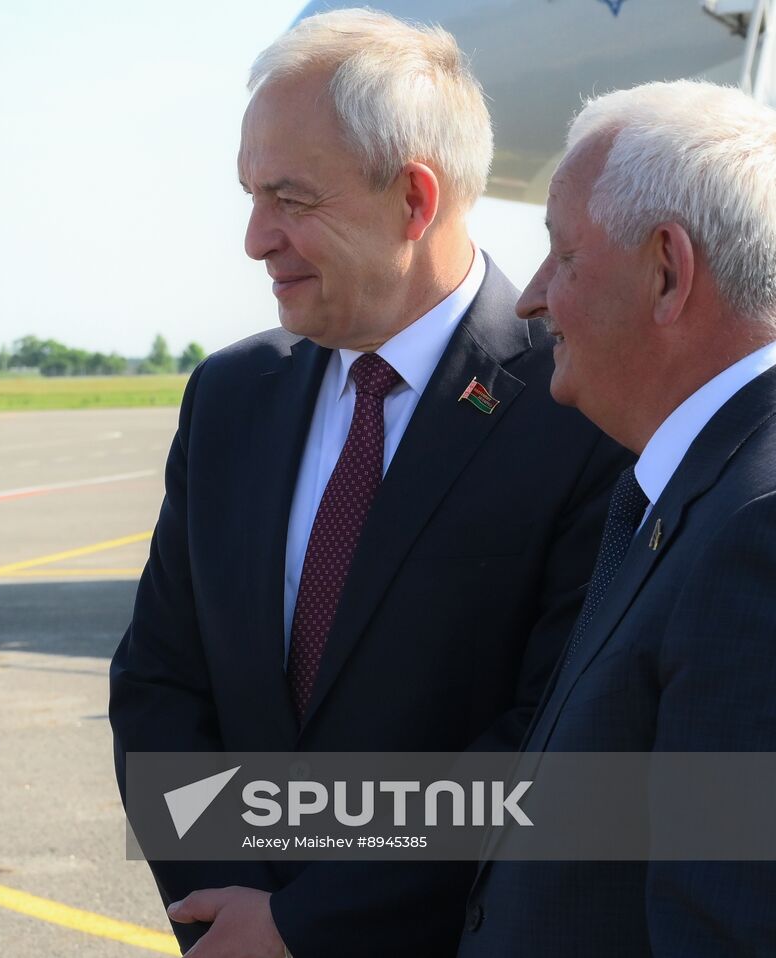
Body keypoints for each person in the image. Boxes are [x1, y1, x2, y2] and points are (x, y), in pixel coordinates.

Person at [109, 10, 629, 957]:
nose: (255, 238)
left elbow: (549, 738)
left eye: (291, 199)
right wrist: (226, 899)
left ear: (414, 200)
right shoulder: (231, 396)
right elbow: (158, 684)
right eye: (249, 195)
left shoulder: (584, 404)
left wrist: (306, 925)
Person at [459, 80, 776, 955]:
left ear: (667, 271)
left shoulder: (757, 529)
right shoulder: (698, 488)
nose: (530, 298)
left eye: (563, 255)